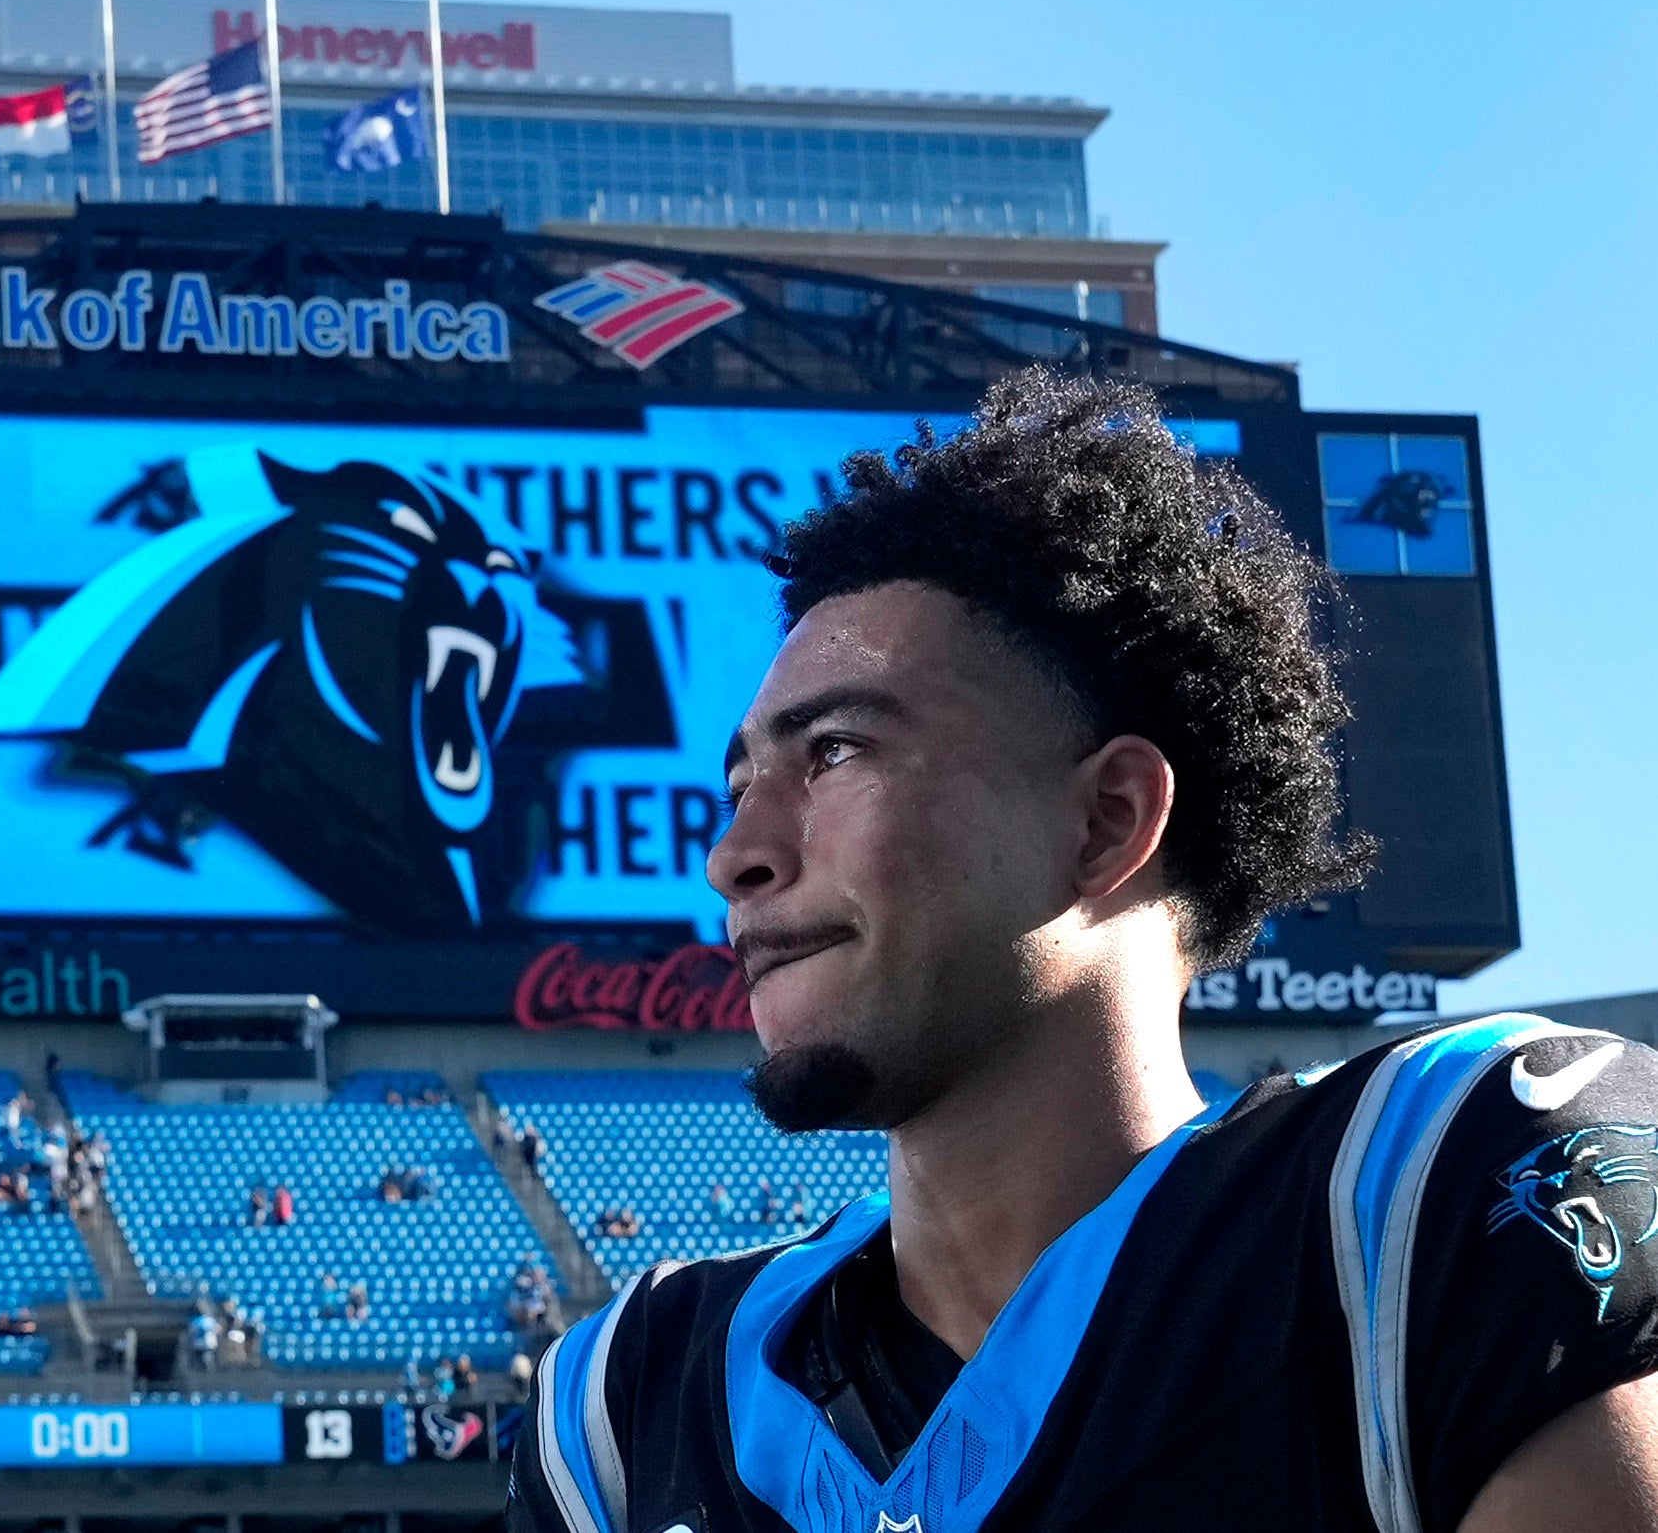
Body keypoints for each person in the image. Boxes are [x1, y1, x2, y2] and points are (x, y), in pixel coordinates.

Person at [509, 374, 1658, 1533]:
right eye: (740, 783)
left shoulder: (1423, 1204)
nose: (734, 856)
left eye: (838, 750)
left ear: (1108, 819)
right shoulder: (624, 1404)